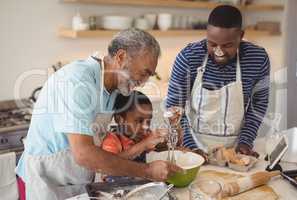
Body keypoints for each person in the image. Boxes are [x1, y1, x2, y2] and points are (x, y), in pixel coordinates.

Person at [16, 28, 182, 200]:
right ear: (121, 57)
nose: (143, 82)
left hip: (77, 181)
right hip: (45, 182)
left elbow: (115, 146)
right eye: (143, 73)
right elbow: (84, 153)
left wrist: (165, 139)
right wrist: (147, 171)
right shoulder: (77, 81)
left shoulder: (115, 89)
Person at [166, 5, 270, 157]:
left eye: (227, 45)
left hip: (235, 150)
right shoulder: (189, 57)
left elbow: (258, 104)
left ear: (240, 36)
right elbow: (173, 108)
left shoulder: (258, 58)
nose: (219, 51)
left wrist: (245, 142)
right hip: (194, 145)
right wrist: (191, 147)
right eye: (212, 44)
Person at [101, 91, 167, 181]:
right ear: (119, 119)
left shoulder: (143, 135)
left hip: (139, 187)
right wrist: (143, 145)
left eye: (148, 121)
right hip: (115, 190)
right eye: (139, 121)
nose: (146, 126)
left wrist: (173, 145)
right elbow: (110, 164)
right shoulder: (111, 141)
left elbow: (160, 147)